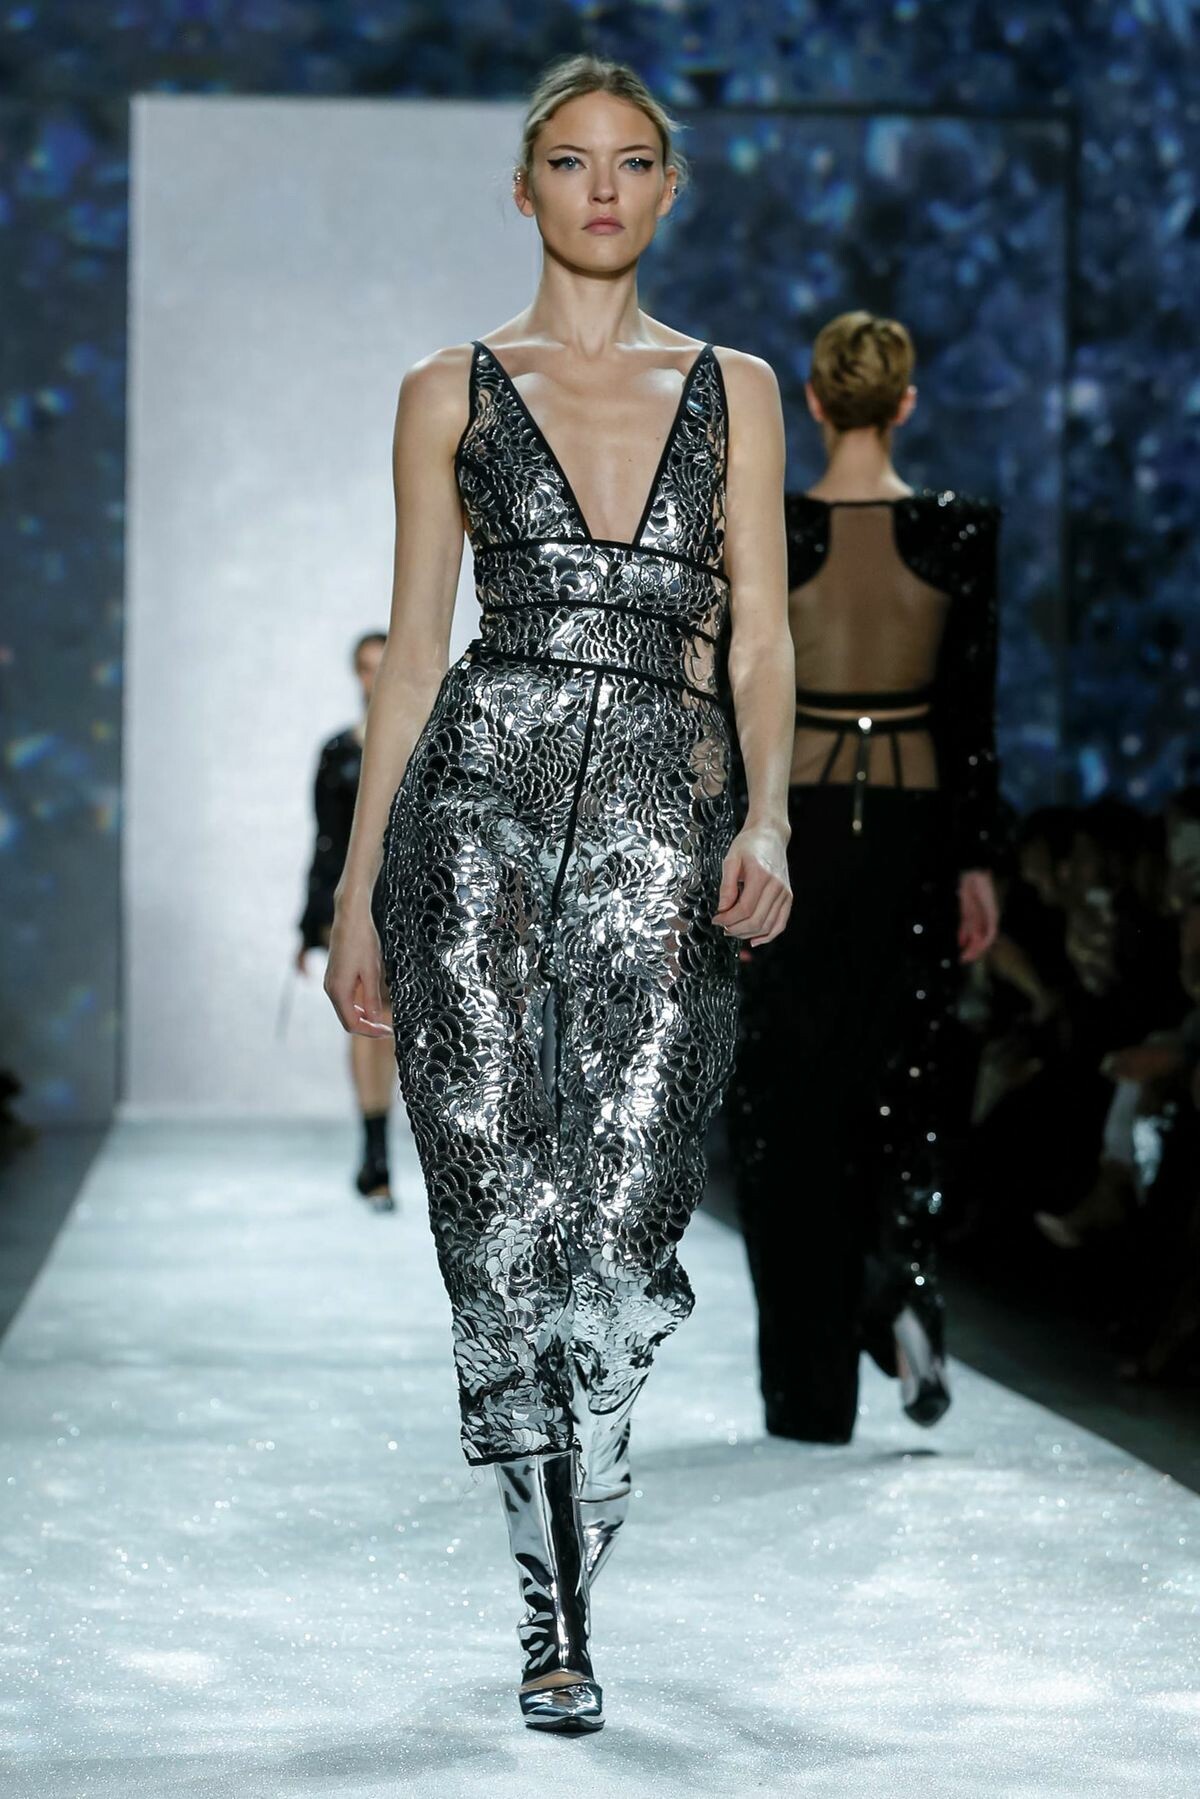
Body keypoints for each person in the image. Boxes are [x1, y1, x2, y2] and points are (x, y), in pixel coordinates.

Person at [322, 54, 794, 1734]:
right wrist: (360, 889)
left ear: (670, 186)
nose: (605, 189)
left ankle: (573, 1532)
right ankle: (553, 1608)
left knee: (625, 1204)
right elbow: (410, 659)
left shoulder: (739, 388)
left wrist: (773, 820)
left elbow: (762, 637)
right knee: (496, 1204)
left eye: (634, 160)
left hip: (668, 822)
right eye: (574, 162)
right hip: (475, 813)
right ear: (524, 191)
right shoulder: (446, 389)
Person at [725, 310, 1002, 1445]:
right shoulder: (960, 529)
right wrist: (978, 859)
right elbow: (971, 709)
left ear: (813, 399)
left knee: (789, 1098)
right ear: (905, 403)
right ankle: (899, 1289)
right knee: (904, 1076)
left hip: (799, 831)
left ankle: (812, 1390)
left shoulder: (777, 527)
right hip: (918, 830)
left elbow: (739, 693)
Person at [296, 630, 396, 1210]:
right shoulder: (338, 752)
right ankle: (375, 1155)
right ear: (355, 674)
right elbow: (327, 840)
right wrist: (310, 922)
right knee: (369, 1021)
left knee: (401, 1027)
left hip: (415, 900)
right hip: (356, 903)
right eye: (366, 667)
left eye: (384, 665)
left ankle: (384, 1157)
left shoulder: (429, 744)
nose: (375, 677)